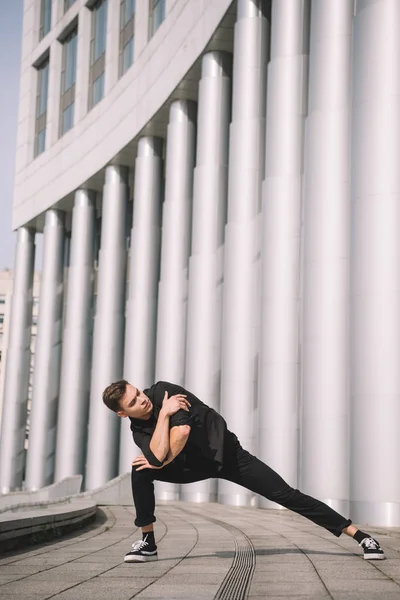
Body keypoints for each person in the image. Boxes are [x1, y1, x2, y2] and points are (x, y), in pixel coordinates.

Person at [102, 380, 385, 563]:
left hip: (229, 457)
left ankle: (359, 535)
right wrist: (163, 416)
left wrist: (160, 456)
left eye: (138, 393)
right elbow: (156, 455)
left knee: (286, 494)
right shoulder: (138, 427)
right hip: (189, 467)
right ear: (123, 414)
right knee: (140, 471)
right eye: (133, 402)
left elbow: (183, 431)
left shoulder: (163, 390)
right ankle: (148, 542)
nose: (143, 400)